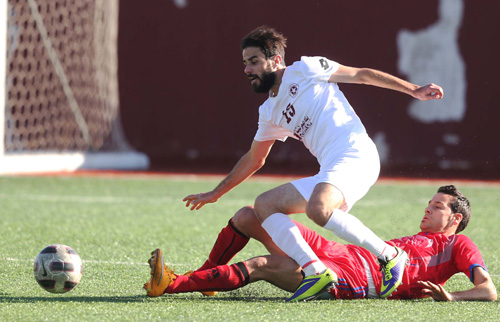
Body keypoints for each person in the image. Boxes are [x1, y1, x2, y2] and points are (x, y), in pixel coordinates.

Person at [181, 26, 445, 301]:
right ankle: (315, 271)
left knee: (318, 209)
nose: (248, 70)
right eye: (245, 63)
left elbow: (362, 75)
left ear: (276, 60)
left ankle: (390, 255)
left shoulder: (306, 68)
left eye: (255, 61)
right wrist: (216, 192)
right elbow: (255, 158)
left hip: (357, 154)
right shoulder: (269, 112)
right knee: (264, 205)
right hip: (331, 169)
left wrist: (413, 89)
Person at [145, 185, 497, 301]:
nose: (428, 209)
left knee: (262, 266)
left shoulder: (459, 245)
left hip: (359, 279)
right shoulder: (420, 237)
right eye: (429, 203)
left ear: (455, 220)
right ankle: (207, 278)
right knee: (250, 213)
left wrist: (451, 296)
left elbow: (488, 291)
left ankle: (172, 284)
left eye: (437, 207)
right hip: (340, 253)